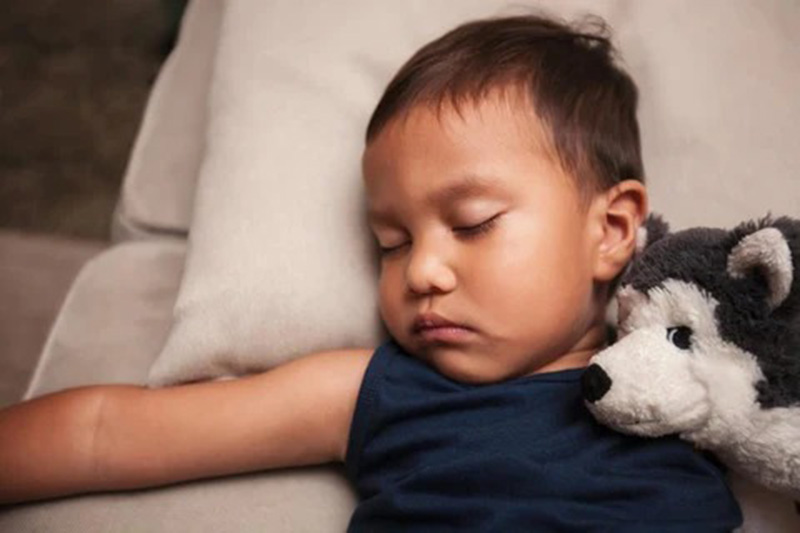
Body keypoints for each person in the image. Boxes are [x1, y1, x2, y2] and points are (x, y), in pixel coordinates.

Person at [0, 13, 742, 531]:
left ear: (610, 230)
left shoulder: (711, 372)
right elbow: (105, 433)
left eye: (472, 223)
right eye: (391, 242)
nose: (422, 271)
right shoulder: (380, 389)